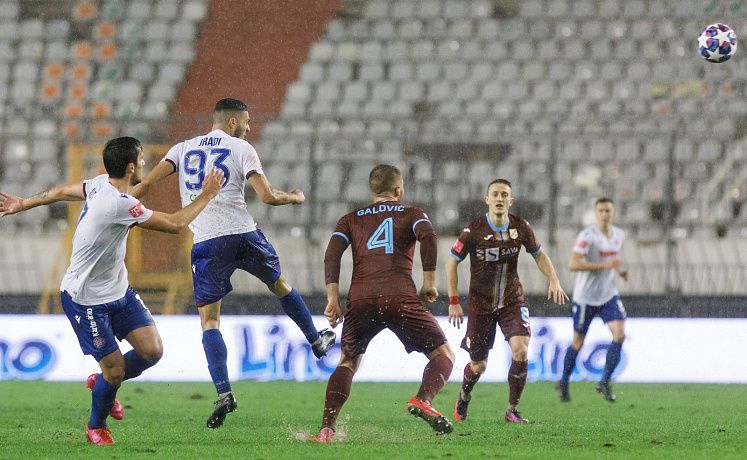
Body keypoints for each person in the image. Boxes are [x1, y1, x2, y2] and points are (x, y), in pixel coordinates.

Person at [0, 137, 224, 445]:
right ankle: (96, 426)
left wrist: (24, 202)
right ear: (132, 167)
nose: (144, 163)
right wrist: (209, 194)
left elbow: (61, 191)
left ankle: (102, 383)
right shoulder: (120, 204)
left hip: (118, 290)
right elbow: (174, 224)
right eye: (143, 159)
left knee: (152, 351)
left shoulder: (100, 185)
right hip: (85, 299)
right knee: (115, 370)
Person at [130, 98, 335, 429]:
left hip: (207, 242)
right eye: (247, 121)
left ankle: (225, 393)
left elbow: (148, 183)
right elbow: (267, 196)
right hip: (243, 234)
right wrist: (294, 197)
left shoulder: (182, 149)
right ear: (231, 123)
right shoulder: (241, 148)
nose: (249, 127)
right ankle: (315, 338)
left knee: (210, 322)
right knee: (279, 284)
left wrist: (127, 198)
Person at [314, 164, 455, 442]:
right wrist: (429, 281)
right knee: (444, 355)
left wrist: (332, 299)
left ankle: (327, 429)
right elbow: (428, 235)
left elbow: (332, 254)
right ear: (398, 190)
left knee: (348, 362)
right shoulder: (412, 212)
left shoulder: (351, 219)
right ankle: (423, 399)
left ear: (373, 190)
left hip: (361, 298)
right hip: (398, 295)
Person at [446, 179, 568, 424]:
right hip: (481, 305)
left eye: (504, 195)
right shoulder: (474, 230)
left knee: (521, 349)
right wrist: (453, 300)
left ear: (510, 201)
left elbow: (539, 254)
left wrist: (554, 279)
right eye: (495, 194)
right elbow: (451, 262)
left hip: (512, 300)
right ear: (487, 199)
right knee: (478, 366)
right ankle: (464, 394)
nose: (500, 199)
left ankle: (512, 409)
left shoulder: (521, 227)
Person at [556, 197, 628, 403]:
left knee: (620, 334)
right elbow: (573, 264)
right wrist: (605, 266)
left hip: (608, 295)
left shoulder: (618, 235)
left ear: (613, 213)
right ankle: (563, 381)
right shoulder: (587, 236)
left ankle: (604, 382)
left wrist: (620, 271)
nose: (605, 214)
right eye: (601, 211)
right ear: (596, 214)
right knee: (578, 341)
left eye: (608, 211)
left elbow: (612, 260)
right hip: (585, 298)